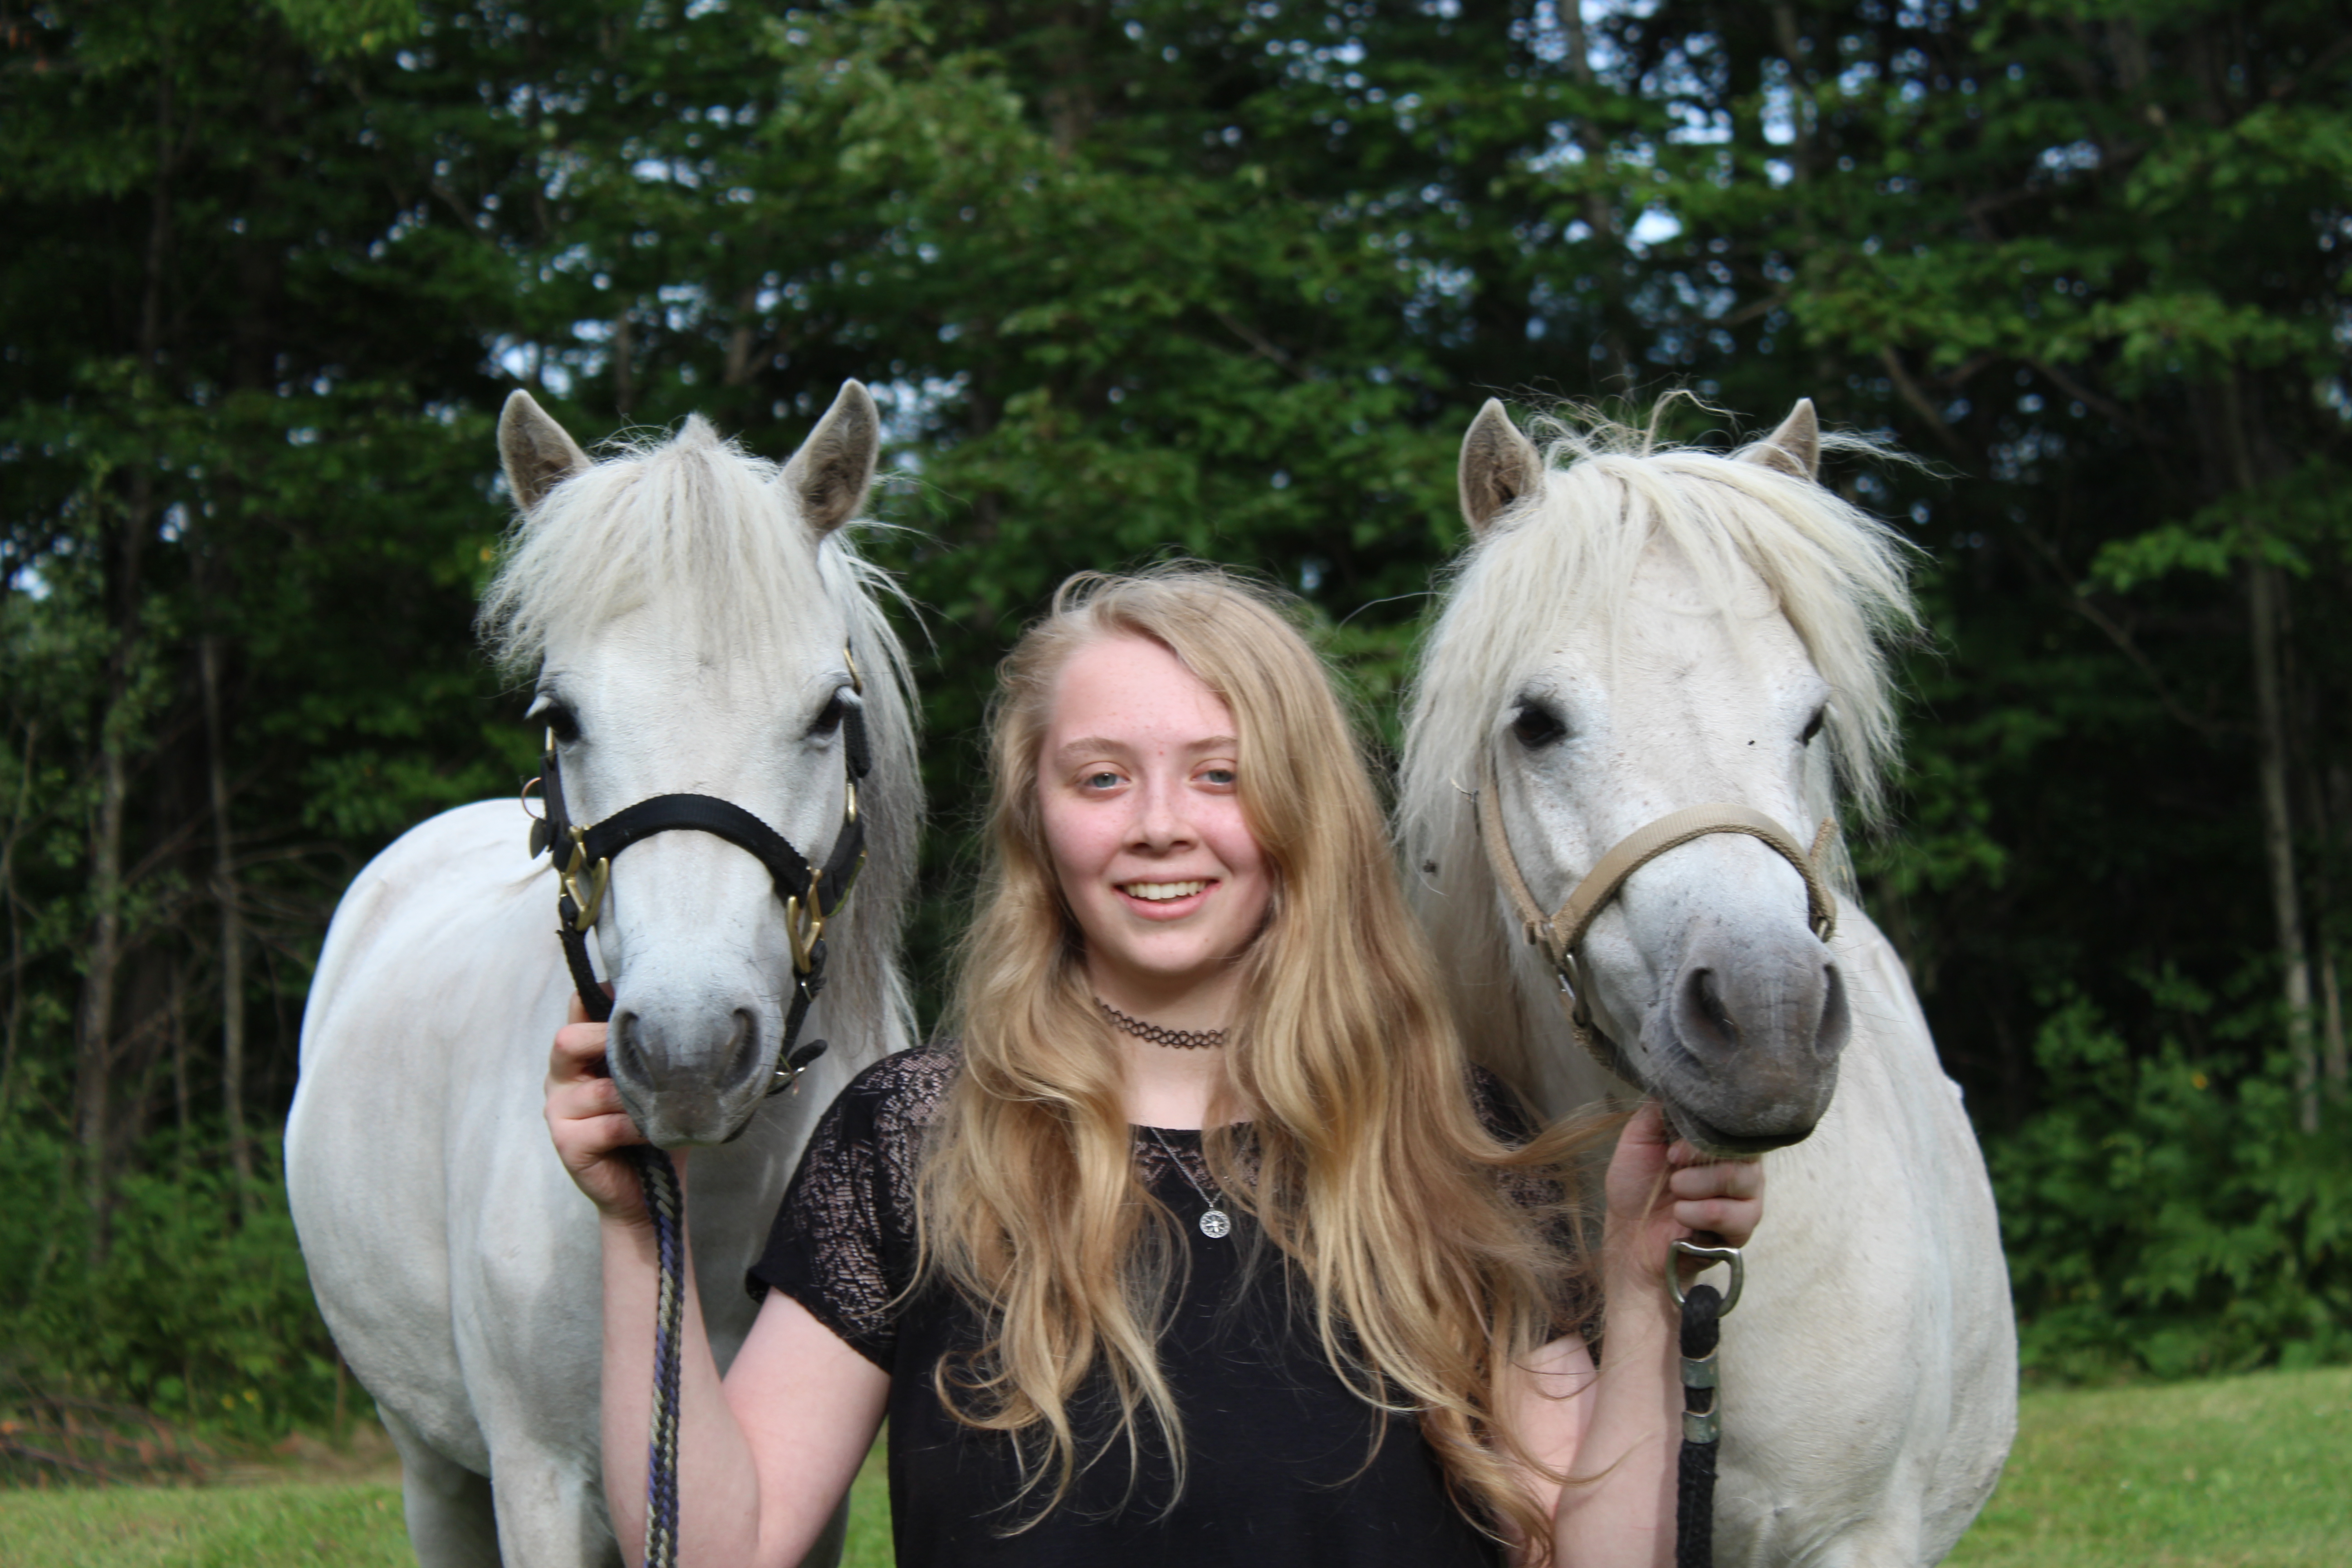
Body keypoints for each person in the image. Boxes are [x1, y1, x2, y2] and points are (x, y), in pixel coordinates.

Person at [546, 566, 1763, 1568]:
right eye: (1102, 777)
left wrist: (1644, 1288)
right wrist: (635, 1225)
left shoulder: (1444, 1141)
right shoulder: (918, 1139)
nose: (1160, 823)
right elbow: (719, 1549)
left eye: (1221, 773)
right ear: (1039, 821)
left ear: (1306, 809)